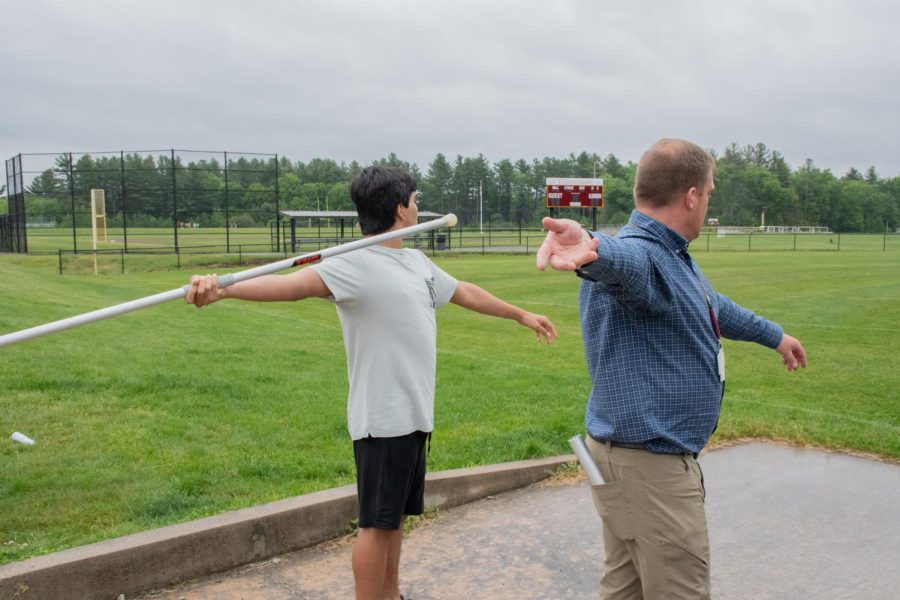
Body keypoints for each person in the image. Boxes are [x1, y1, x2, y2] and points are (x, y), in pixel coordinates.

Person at [186, 166, 557, 600]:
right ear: (400, 209)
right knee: (375, 527)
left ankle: (391, 594)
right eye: (415, 200)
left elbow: (464, 292)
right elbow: (292, 285)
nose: (418, 207)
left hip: (415, 414)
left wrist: (520, 314)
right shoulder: (352, 264)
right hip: (382, 420)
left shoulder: (416, 262)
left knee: (395, 519)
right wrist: (224, 290)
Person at [536, 138, 807, 599]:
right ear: (691, 195)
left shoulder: (672, 257)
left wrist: (773, 335)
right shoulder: (642, 255)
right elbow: (626, 266)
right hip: (651, 470)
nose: (708, 200)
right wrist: (592, 246)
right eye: (710, 191)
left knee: (626, 587)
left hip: (629, 460)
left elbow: (710, 306)